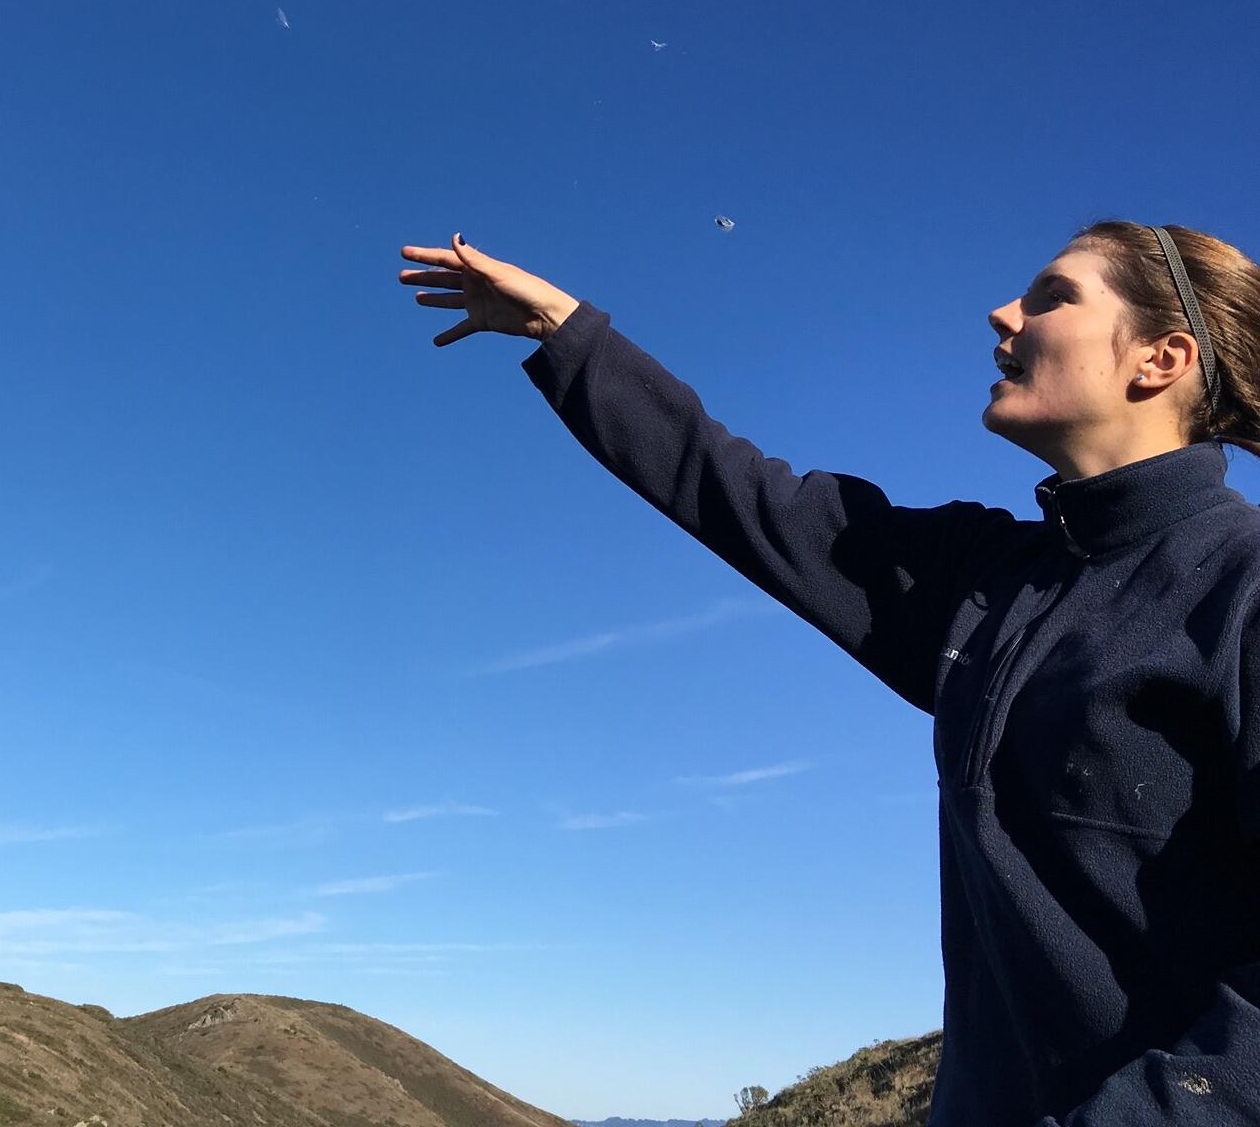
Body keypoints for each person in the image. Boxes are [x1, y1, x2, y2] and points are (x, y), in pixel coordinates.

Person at [400, 222, 1260, 1125]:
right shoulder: (982, 579)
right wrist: (564, 329)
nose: (1002, 312)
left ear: (1159, 359)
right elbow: (739, 493)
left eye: (1053, 295)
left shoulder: (1240, 590)